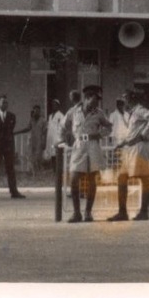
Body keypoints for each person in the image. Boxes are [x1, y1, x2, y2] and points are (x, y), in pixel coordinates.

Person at [109, 90, 149, 222]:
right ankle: (122, 212)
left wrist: (144, 133)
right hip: (130, 148)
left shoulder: (139, 110)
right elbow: (132, 132)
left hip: (139, 147)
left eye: (125, 98)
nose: (123, 101)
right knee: (122, 178)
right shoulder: (131, 113)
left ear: (131, 99)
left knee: (144, 178)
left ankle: (143, 212)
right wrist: (122, 143)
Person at [65, 87, 108, 223]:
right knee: (74, 177)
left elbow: (109, 127)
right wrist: (65, 141)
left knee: (92, 179)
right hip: (79, 146)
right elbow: (64, 126)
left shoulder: (99, 113)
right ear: (87, 98)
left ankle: (88, 212)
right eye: (95, 99)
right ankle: (76, 212)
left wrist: (99, 134)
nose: (97, 103)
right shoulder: (73, 111)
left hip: (93, 145)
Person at [0, 95, 27, 199]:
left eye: (6, 103)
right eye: (2, 102)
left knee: (10, 168)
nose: (4, 104)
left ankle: (14, 192)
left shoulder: (12, 116)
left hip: (8, 145)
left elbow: (11, 129)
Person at [43, 98, 66, 173]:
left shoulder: (61, 115)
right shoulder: (50, 116)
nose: (53, 106)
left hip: (57, 137)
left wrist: (61, 137)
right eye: (52, 105)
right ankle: (54, 170)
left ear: (58, 106)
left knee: (56, 154)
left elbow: (63, 126)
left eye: (55, 105)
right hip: (50, 137)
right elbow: (48, 127)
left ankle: (58, 171)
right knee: (52, 154)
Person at [24, 104, 45, 177]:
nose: (37, 112)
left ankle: (38, 173)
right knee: (30, 156)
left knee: (38, 157)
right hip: (32, 140)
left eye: (38, 111)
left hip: (39, 140)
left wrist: (44, 141)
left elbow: (45, 131)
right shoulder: (31, 119)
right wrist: (17, 132)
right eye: (35, 110)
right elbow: (27, 128)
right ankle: (31, 172)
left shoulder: (43, 120)